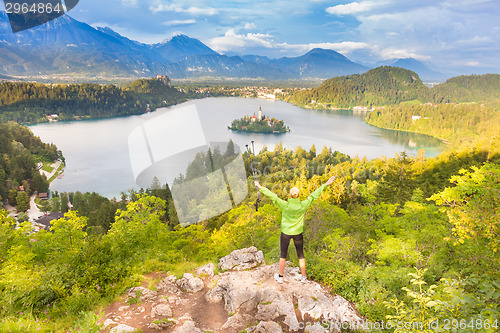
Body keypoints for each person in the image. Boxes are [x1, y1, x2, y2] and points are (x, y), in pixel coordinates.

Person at [254, 176, 336, 283]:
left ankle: (281, 277)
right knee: (301, 255)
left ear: (290, 196)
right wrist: (326, 184)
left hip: (286, 233)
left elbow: (272, 196)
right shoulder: (303, 205)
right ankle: (303, 277)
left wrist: (259, 186)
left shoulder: (285, 205)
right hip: (298, 233)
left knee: (283, 255)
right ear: (298, 196)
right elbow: (314, 195)